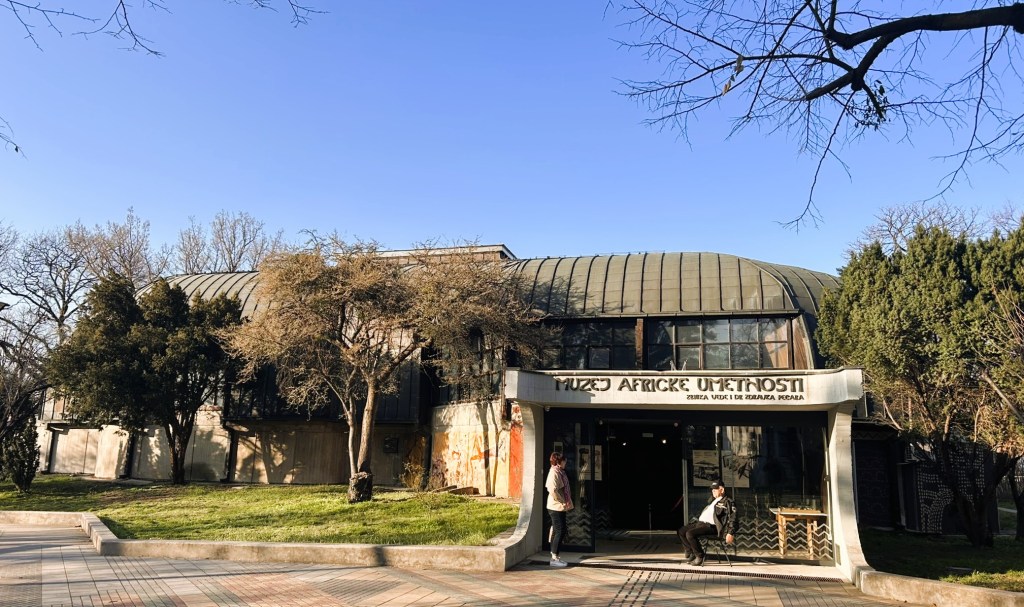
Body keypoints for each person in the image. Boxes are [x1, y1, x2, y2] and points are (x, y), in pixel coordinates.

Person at [676, 480, 737, 566]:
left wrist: (730, 532)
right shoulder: (713, 499)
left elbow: (733, 518)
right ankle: (691, 552)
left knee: (690, 534)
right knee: (681, 531)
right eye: (712, 490)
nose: (713, 491)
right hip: (701, 523)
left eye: (715, 490)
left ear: (722, 490)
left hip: (712, 527)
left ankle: (700, 556)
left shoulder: (728, 502)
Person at [545, 451, 574, 567]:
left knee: (560, 530)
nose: (565, 462)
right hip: (555, 507)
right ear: (559, 461)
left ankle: (555, 556)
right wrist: (561, 500)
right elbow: (552, 489)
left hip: (559, 507)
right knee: (560, 530)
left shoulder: (560, 472)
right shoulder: (554, 473)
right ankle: (554, 558)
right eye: (564, 460)